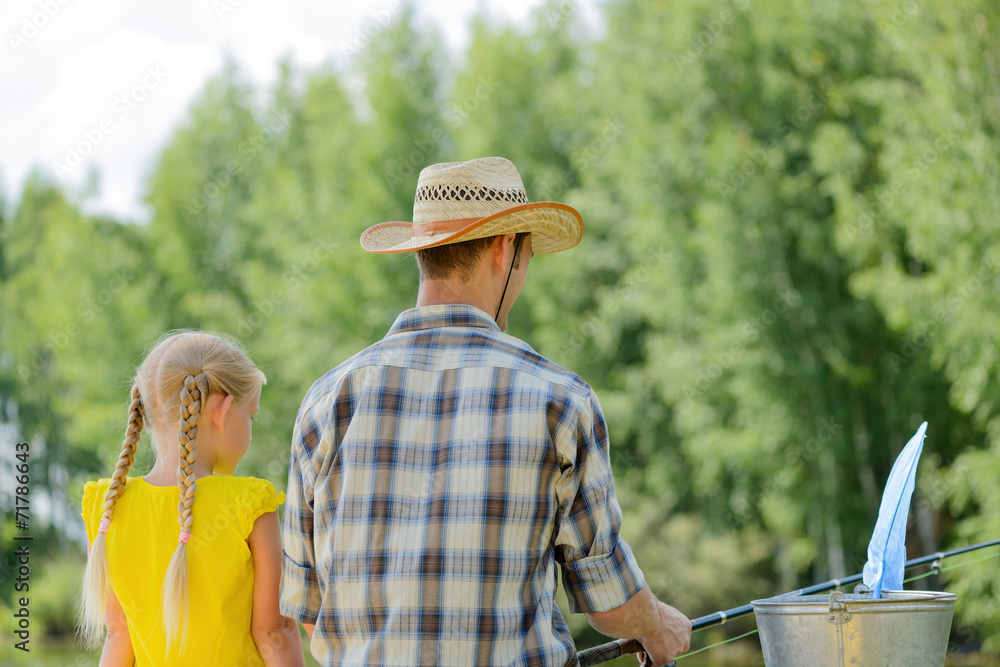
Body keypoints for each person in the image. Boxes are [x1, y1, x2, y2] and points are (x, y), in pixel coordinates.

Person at [280, 157, 691, 666]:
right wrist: (656, 625)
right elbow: (608, 600)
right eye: (528, 252)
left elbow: (309, 607)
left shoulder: (326, 402)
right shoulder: (559, 399)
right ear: (505, 249)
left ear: (423, 252)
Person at [79, 331, 305, 667]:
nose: (251, 426)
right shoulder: (250, 504)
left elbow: (117, 635)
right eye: (251, 415)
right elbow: (274, 634)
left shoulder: (109, 508)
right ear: (222, 410)